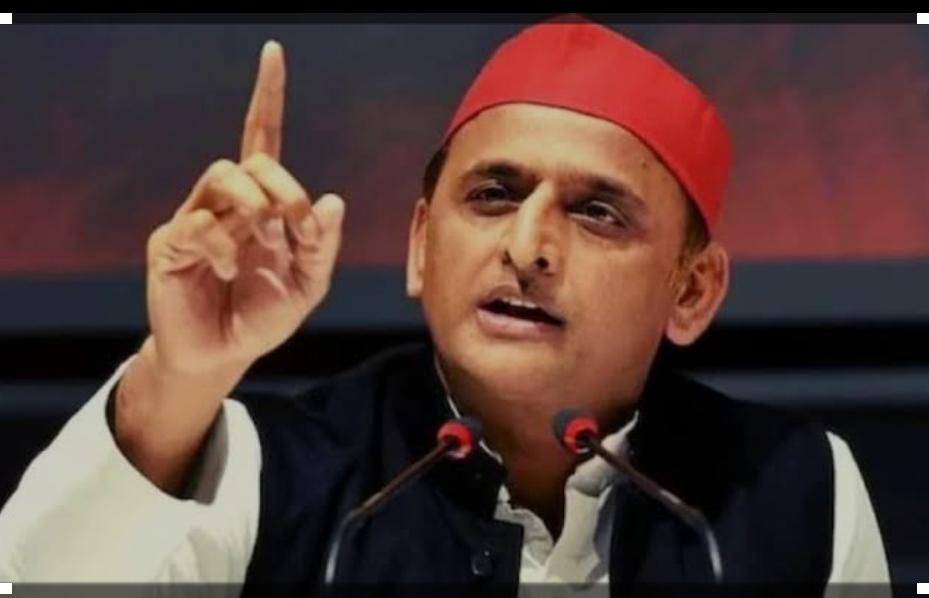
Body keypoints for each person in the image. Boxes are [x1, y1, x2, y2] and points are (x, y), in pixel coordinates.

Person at [0, 15, 890, 594]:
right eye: (493, 195)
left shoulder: (797, 493)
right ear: (421, 244)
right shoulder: (273, 471)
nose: (528, 246)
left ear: (690, 290)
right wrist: (181, 372)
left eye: (596, 212)